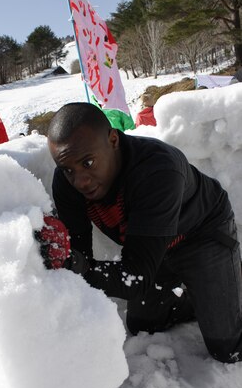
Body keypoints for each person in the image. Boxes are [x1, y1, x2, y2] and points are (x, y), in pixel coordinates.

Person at [36, 101, 242, 364]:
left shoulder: (157, 170)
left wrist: (79, 267)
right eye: (68, 170)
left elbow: (135, 277)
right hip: (154, 247)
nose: (80, 181)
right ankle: (201, 292)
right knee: (142, 324)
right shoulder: (67, 183)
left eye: (88, 162)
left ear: (113, 140)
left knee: (228, 348)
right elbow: (80, 254)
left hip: (201, 234)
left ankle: (221, 281)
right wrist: (63, 257)